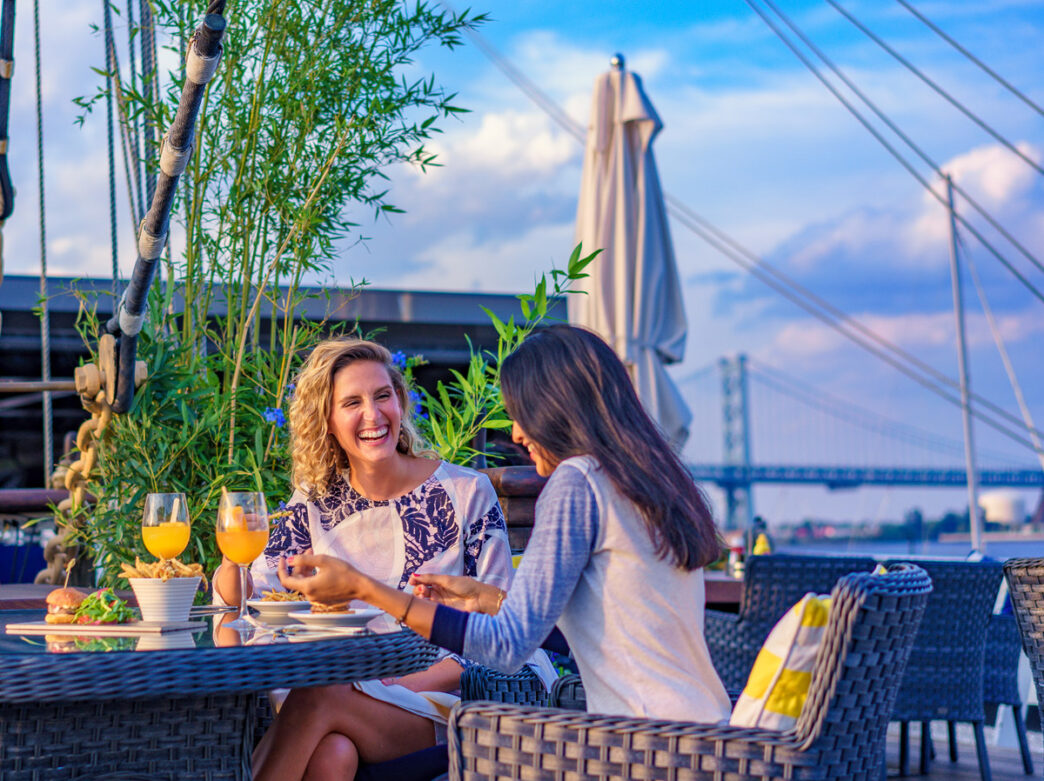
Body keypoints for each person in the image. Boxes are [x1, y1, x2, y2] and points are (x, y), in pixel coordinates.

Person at [280, 325, 732, 724]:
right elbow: (611, 629)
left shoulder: (576, 484)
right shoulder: (647, 481)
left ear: (557, 408)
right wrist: (492, 598)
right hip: (700, 729)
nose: (515, 432)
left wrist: (363, 587)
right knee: (328, 742)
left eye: (521, 412)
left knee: (316, 707)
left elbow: (505, 649)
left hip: (639, 743)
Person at [215, 338, 553, 781]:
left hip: (444, 700)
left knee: (317, 697)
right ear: (328, 422)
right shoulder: (313, 503)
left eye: (382, 396)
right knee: (333, 756)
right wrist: (231, 560)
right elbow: (254, 599)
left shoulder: (464, 493)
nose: (373, 416)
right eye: (352, 402)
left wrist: (392, 687)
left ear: (400, 402)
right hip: (346, 704)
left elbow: (499, 630)